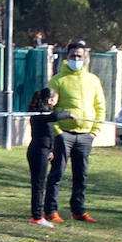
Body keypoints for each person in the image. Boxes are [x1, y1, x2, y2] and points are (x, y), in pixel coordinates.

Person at [44, 40, 105, 223]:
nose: (76, 59)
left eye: (79, 56)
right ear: (67, 57)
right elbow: (48, 109)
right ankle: (51, 211)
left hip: (86, 135)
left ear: (85, 57)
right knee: (57, 173)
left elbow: (100, 106)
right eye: (73, 56)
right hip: (64, 135)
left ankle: (78, 210)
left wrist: (94, 131)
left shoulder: (93, 80)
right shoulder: (57, 80)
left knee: (81, 175)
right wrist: (58, 132)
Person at [26, 87, 67, 226]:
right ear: (50, 100)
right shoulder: (43, 112)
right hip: (37, 151)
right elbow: (54, 117)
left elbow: (47, 134)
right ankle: (37, 217)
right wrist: (68, 114)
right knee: (38, 185)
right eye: (56, 99)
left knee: (39, 184)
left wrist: (50, 150)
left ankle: (37, 215)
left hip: (42, 150)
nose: (56, 103)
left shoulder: (44, 111)